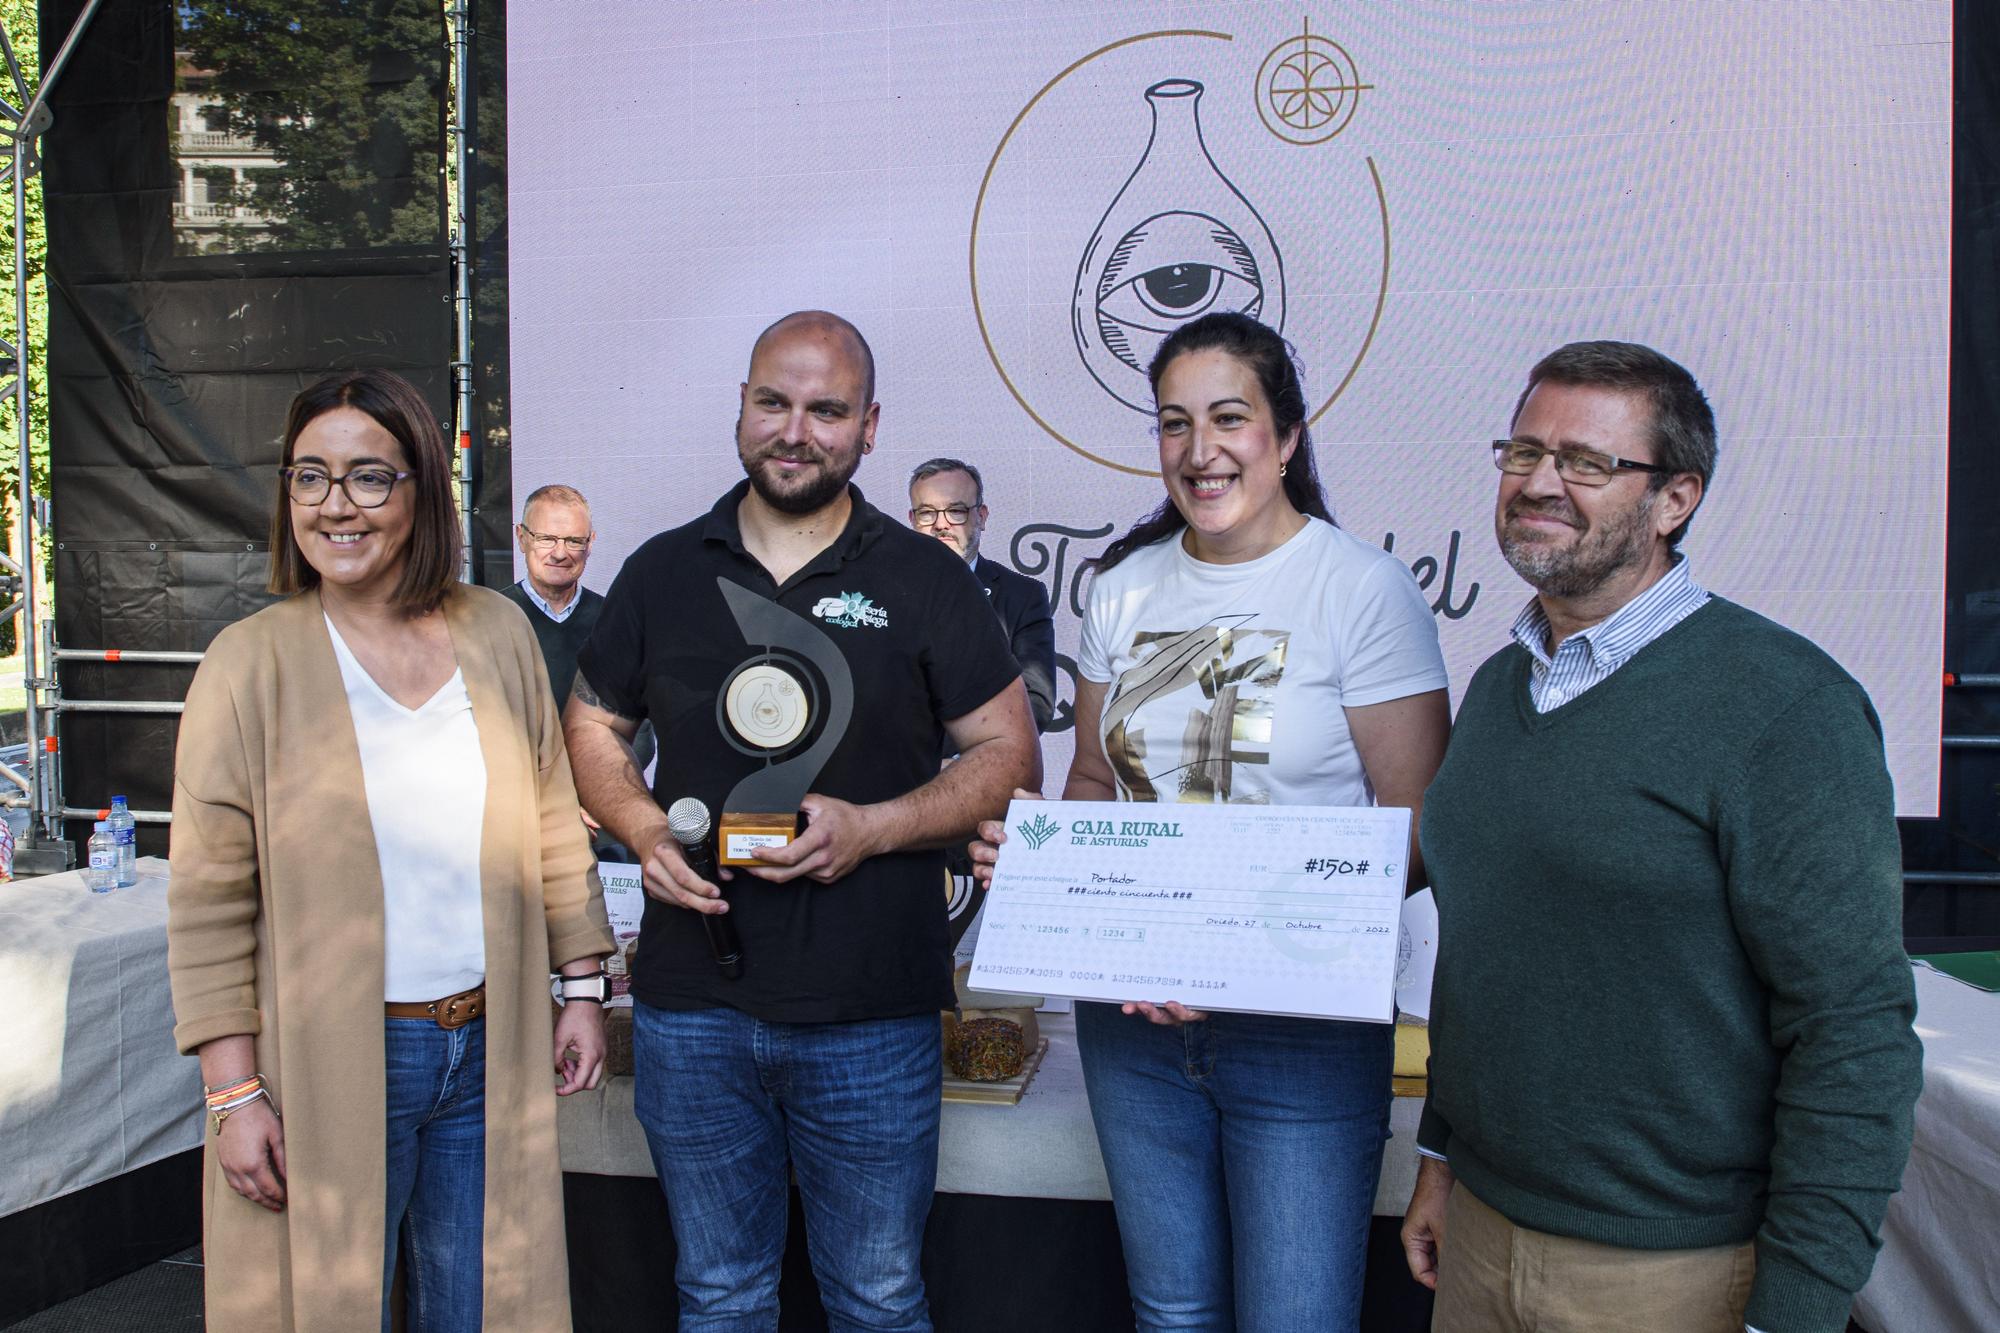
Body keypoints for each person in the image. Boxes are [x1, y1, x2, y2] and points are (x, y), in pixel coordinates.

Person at [1399, 341, 1922, 1333]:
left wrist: (1796, 1308)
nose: (1539, 482)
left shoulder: (1783, 707)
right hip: (1478, 1236)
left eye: (1586, 462)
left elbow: (1850, 1031)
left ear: (1674, 499)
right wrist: (1440, 1156)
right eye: (1521, 452)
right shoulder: (1501, 685)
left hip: (1674, 1275)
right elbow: (1488, 955)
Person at [971, 310, 1452, 1330]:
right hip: (1133, 1024)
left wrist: (1232, 954)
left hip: (1306, 1034)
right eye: (1172, 422)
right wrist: (1050, 868)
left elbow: (1415, 831)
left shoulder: (1359, 591)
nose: (1198, 450)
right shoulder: (1122, 587)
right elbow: (1094, 785)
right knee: (1172, 1315)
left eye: (1227, 417)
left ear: (1283, 434)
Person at [564, 310, 1040, 1329]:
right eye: (773, 403)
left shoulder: (922, 579)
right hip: (692, 1006)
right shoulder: (662, 570)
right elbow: (593, 724)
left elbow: (1007, 754)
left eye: (826, 410)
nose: (795, 430)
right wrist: (644, 828)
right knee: (719, 1293)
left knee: (875, 1296)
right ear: (740, 407)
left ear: (869, 427)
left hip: (870, 1010)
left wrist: (872, 826)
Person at [167, 368, 615, 1333]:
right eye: (309, 477)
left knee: (482, 1305)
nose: (336, 505)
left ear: (420, 491)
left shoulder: (495, 631)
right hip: (332, 1059)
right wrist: (233, 1094)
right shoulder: (248, 663)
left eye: (369, 477)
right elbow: (207, 903)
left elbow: (551, 816)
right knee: (336, 1308)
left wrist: (582, 987)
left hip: (489, 1044)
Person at [501, 483, 653, 851]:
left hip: (601, 818)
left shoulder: (614, 621)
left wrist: (596, 794)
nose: (560, 553)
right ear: (521, 538)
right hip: (517, 816)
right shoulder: (491, 620)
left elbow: (642, 730)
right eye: (547, 538)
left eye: (573, 541)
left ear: (591, 542)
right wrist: (551, 801)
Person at [907, 457, 1057, 732]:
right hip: (901, 770)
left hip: (980, 766)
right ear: (912, 520)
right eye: (927, 512)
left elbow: (1036, 702)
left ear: (981, 516)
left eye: (956, 510)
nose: (941, 524)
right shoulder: (886, 590)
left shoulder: (1023, 597)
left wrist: (962, 760)